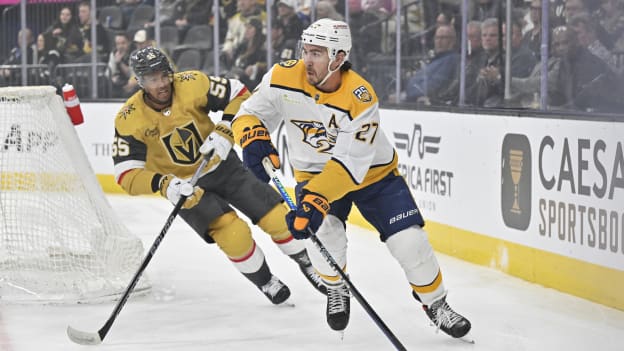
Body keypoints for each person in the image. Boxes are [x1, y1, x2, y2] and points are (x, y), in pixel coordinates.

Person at [230, 19, 472, 338]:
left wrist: (315, 199)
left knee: (410, 242)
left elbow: (349, 164)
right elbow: (248, 113)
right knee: (323, 236)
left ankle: (435, 304)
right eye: (306, 51)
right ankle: (335, 288)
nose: (307, 60)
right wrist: (252, 134)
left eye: (317, 53)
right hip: (315, 174)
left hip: (373, 175)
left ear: (339, 58)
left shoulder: (360, 97)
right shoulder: (282, 76)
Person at [112, 47, 325, 307]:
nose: (162, 83)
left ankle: (308, 262)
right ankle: (266, 281)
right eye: (153, 79)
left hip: (224, 167)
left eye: (164, 75)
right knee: (234, 235)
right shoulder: (129, 118)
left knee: (277, 217)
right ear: (140, 82)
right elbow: (126, 175)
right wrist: (164, 185)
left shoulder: (191, 83)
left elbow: (240, 94)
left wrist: (225, 130)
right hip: (187, 189)